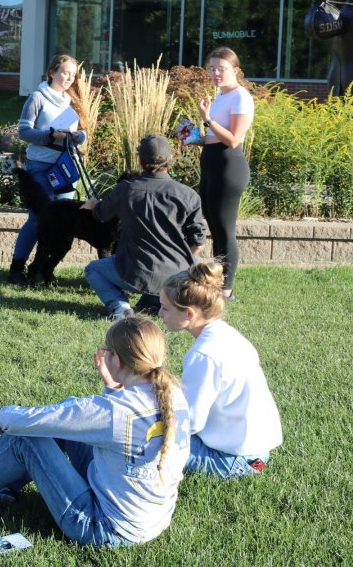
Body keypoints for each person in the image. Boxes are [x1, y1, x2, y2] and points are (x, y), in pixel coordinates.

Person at [0, 316, 189, 549]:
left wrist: (4, 415)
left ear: (116, 360)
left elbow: (28, 420)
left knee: (26, 438)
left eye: (106, 351)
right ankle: (6, 489)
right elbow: (121, 429)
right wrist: (112, 387)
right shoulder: (174, 396)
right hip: (151, 522)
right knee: (66, 422)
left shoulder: (114, 412)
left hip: (100, 527)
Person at [159, 260, 282, 477]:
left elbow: (191, 421)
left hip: (234, 461)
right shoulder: (229, 335)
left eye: (165, 308)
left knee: (140, 437)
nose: (160, 314)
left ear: (189, 314)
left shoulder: (204, 355)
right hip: (258, 455)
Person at [81, 135, 205, 320]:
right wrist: (182, 264)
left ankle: (120, 308)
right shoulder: (188, 195)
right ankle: (160, 298)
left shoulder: (126, 189)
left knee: (93, 269)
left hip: (134, 272)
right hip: (177, 274)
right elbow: (198, 242)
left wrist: (93, 204)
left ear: (140, 160)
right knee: (196, 263)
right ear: (169, 160)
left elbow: (101, 214)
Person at [8, 54, 87, 286]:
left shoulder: (72, 101)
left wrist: (76, 137)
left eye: (73, 75)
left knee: (64, 221)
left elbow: (84, 133)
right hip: (40, 166)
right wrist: (50, 135)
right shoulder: (37, 98)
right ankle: (16, 269)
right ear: (52, 72)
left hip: (65, 168)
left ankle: (45, 269)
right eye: (64, 73)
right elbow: (24, 132)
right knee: (37, 218)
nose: (69, 79)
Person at [191, 46, 254, 300]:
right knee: (215, 227)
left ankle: (227, 290)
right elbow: (215, 138)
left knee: (225, 230)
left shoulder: (240, 97)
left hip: (229, 167)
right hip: (212, 164)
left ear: (236, 71)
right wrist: (196, 138)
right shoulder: (221, 96)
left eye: (222, 69)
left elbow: (233, 140)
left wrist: (207, 119)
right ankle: (218, 282)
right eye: (212, 68)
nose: (216, 73)